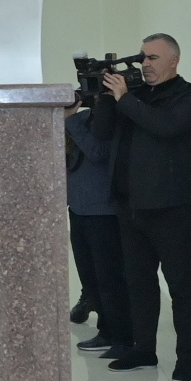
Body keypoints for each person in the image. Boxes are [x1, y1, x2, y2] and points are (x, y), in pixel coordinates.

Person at [94, 34, 191, 381]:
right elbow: (102, 133)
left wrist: (125, 99)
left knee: (181, 287)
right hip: (130, 207)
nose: (145, 64)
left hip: (169, 207)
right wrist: (105, 98)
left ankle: (187, 360)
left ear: (174, 60)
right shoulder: (135, 95)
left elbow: (165, 128)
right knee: (139, 285)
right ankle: (143, 350)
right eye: (142, 57)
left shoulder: (189, 99)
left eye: (153, 58)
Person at [65, 89, 130, 355]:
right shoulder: (82, 119)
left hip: (104, 211)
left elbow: (97, 151)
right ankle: (105, 330)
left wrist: (70, 120)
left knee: (109, 278)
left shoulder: (115, 119)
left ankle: (118, 334)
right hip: (78, 208)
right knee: (89, 276)